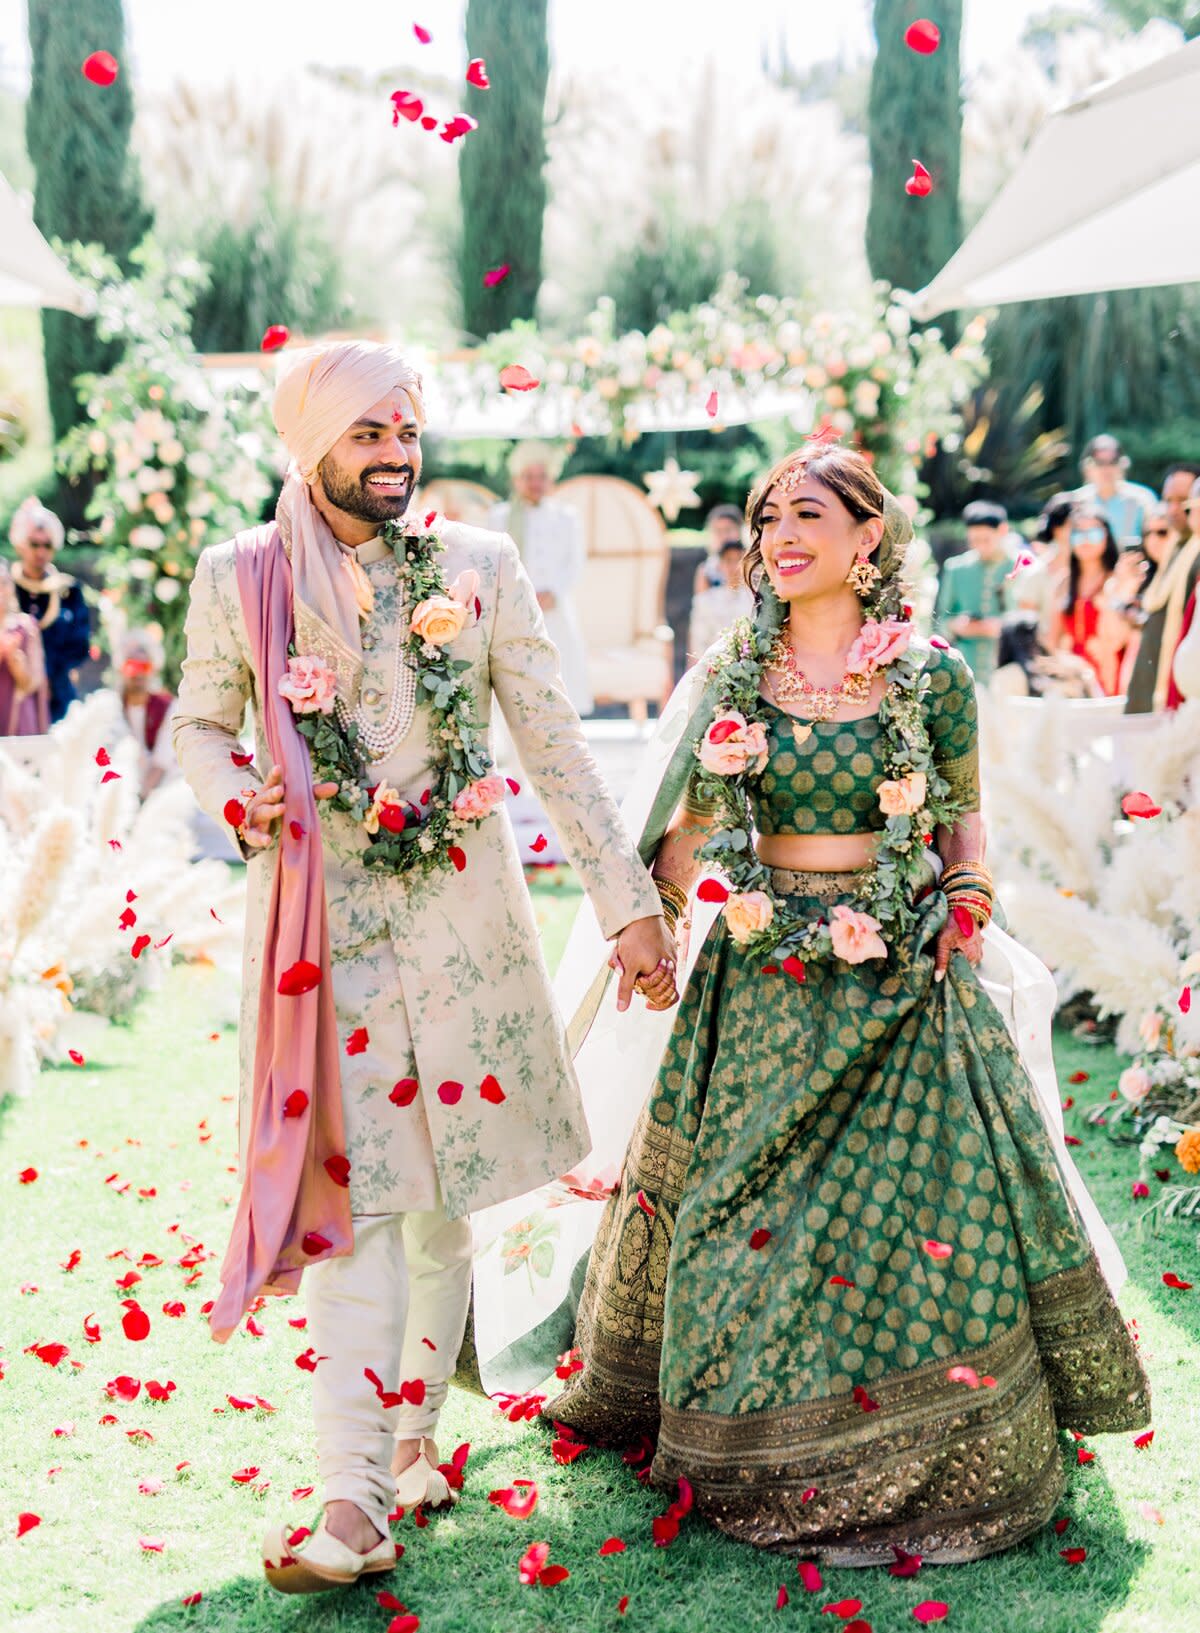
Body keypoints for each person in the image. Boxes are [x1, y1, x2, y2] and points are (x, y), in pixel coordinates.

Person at [535, 441, 1148, 1562]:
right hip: (761, 982)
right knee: (730, 1217)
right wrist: (657, 922)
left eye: (808, 513)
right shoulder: (733, 671)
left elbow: (961, 814)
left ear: (870, 536)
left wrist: (964, 896)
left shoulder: (931, 676)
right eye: (769, 517)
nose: (781, 534)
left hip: (903, 977)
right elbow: (694, 818)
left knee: (924, 1226)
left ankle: (934, 1454)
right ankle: (742, 1444)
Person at [171, 340, 674, 1594]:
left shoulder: (479, 568)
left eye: (409, 431)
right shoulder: (243, 578)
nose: (397, 454)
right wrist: (241, 799)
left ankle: (412, 1439)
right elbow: (196, 718)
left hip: (465, 927)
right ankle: (350, 1498)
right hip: (322, 932)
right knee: (364, 1197)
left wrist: (628, 902)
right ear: (312, 445)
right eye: (368, 435)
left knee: (446, 1195)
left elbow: (554, 744)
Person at [486, 441, 592, 715]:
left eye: (541, 477)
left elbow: (575, 562)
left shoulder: (566, 517)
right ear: (516, 479)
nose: (535, 483)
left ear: (551, 479)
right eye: (528, 477)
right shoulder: (500, 517)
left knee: (562, 675)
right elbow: (493, 562)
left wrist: (555, 591)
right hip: (514, 609)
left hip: (555, 607)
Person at [8, 497, 91, 722]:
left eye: (47, 545)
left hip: (57, 698)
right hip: (12, 695)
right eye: (35, 544)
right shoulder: (5, 588)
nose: (41, 552)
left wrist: (49, 674)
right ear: (21, 545)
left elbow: (80, 644)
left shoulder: (68, 591)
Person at [1047, 507, 1130, 696]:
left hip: (1110, 673)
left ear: (1107, 536)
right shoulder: (1063, 583)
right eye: (1078, 533)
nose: (1085, 540)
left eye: (1093, 533)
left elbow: (1120, 638)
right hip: (1072, 678)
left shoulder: (1117, 581)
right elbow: (1052, 640)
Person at [933, 500, 1016, 681]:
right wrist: (957, 625)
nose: (980, 546)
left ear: (1002, 531)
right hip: (965, 668)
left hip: (1007, 669)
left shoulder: (1019, 567)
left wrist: (1002, 627)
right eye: (974, 540)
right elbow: (941, 620)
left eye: (986, 540)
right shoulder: (956, 568)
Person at [116, 633, 178, 797]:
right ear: (122, 669)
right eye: (132, 666)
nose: (139, 673)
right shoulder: (114, 707)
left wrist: (139, 800)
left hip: (161, 792)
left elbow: (161, 763)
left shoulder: (168, 707)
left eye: (144, 667)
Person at [1072, 434, 1157, 549]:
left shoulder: (1143, 499)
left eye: (1113, 462)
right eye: (1100, 463)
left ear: (1123, 464)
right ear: (1087, 467)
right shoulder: (1076, 501)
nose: (1107, 469)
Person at [0, 558, 50, 735]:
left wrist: (17, 663)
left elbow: (34, 683)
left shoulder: (25, 627)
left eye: (4, 583)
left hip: (18, 723)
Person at [687, 535, 753, 660]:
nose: (734, 567)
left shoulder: (756, 599)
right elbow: (698, 639)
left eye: (738, 560)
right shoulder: (706, 600)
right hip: (714, 667)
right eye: (728, 560)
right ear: (720, 565)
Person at [692, 503, 746, 596]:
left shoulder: (750, 563)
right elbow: (701, 603)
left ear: (739, 530)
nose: (724, 536)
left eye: (728, 530)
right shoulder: (706, 570)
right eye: (718, 531)